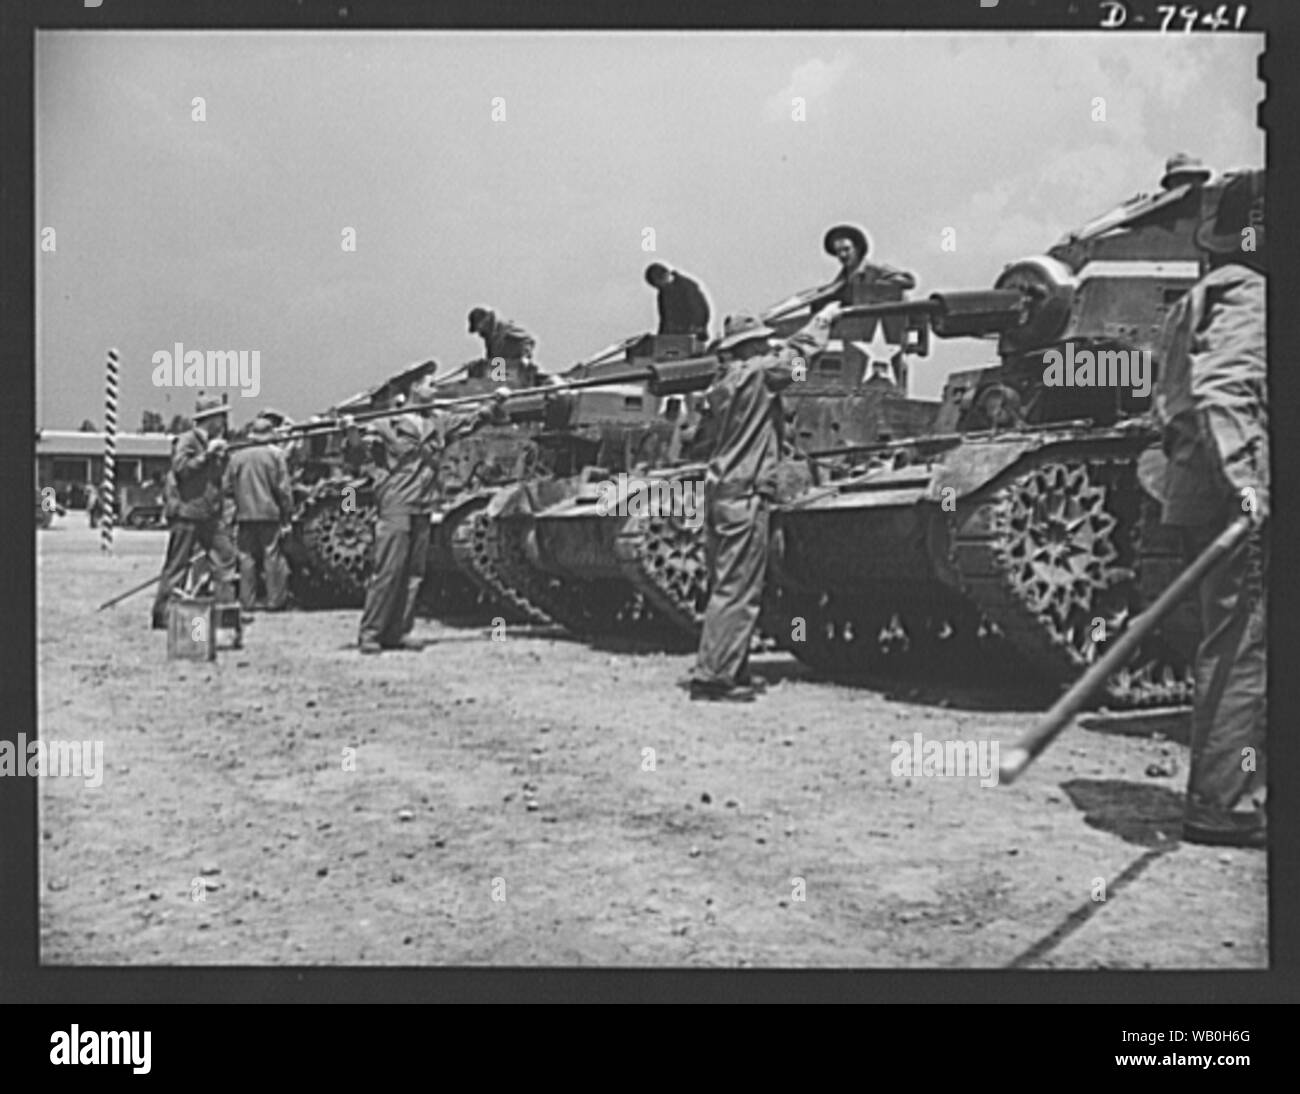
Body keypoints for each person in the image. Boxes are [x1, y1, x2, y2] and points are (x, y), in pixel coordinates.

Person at [1153, 168, 1267, 849]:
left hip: (1200, 492)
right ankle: (1225, 805)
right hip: (1244, 499)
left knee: (1231, 646)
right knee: (1245, 653)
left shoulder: (1189, 304)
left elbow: (1168, 407)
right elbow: (1227, 391)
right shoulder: (1252, 295)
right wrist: (1249, 482)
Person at [688, 301, 842, 701]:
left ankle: (726, 667)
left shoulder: (723, 386)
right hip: (745, 496)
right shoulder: (757, 376)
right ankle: (715, 678)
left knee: (724, 585)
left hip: (720, 493)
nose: (764, 349)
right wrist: (821, 324)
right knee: (738, 589)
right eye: (760, 344)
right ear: (749, 347)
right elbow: (798, 363)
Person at [344, 366, 508, 653]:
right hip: (396, 502)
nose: (435, 389)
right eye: (429, 384)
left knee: (414, 574)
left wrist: (494, 403)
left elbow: (470, 421)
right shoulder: (384, 424)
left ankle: (399, 632)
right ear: (413, 389)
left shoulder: (438, 421)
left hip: (424, 500)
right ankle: (371, 633)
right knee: (388, 571)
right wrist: (350, 432)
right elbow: (357, 457)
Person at [150, 395, 238, 629]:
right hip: (187, 514)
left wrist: (221, 457)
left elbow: (217, 478)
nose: (223, 421)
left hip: (209, 515)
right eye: (220, 416)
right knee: (177, 566)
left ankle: (224, 612)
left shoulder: (214, 440)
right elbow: (181, 469)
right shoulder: (187, 440)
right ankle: (163, 615)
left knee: (226, 559)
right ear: (210, 419)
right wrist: (207, 455)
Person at [224, 415, 295, 611]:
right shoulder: (276, 456)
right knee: (271, 556)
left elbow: (227, 489)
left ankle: (247, 601)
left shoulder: (237, 457)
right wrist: (287, 513)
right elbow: (283, 489)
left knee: (246, 558)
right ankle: (275, 601)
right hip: (269, 513)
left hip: (244, 514)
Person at [808, 224, 917, 314]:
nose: (842, 255)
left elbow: (908, 282)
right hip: (857, 333)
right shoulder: (840, 283)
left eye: (846, 249)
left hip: (888, 327)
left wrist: (875, 288)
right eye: (838, 251)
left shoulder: (875, 269)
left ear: (857, 249)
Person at [644, 263, 711, 339]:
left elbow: (699, 310)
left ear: (664, 276)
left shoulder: (687, 286)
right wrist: (660, 338)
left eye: (658, 285)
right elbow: (664, 319)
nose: (658, 288)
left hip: (690, 337)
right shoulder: (662, 293)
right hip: (672, 337)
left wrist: (697, 328)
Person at [467, 307, 537, 373]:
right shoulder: (490, 343)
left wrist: (524, 357)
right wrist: (481, 365)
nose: (479, 333)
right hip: (504, 376)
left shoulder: (504, 329)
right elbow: (493, 365)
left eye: (480, 327)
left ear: (487, 320)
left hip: (518, 371)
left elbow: (528, 340)